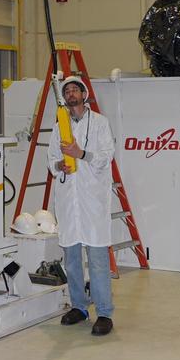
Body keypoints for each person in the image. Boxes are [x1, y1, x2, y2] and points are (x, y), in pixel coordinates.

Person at [47, 75, 116, 336]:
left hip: (92, 199)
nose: (72, 93)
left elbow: (106, 156)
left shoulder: (99, 123)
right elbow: (51, 158)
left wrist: (81, 154)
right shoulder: (58, 127)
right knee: (72, 260)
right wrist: (59, 165)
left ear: (84, 95)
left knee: (97, 259)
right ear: (64, 98)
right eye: (68, 91)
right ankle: (79, 306)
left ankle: (105, 312)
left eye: (76, 89)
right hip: (68, 198)